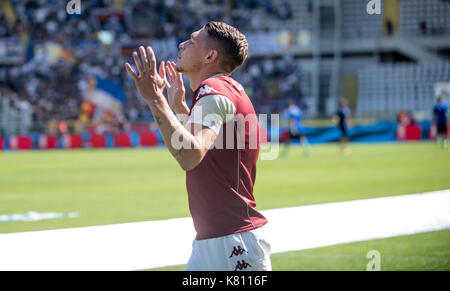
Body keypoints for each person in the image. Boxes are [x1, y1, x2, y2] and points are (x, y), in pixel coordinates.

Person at [125, 21, 271, 271]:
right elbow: (210, 150)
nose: (182, 44)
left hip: (232, 243)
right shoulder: (224, 89)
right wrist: (179, 108)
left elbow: (189, 156)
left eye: (192, 40)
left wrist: (154, 98)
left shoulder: (213, 90)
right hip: (220, 240)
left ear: (210, 56)